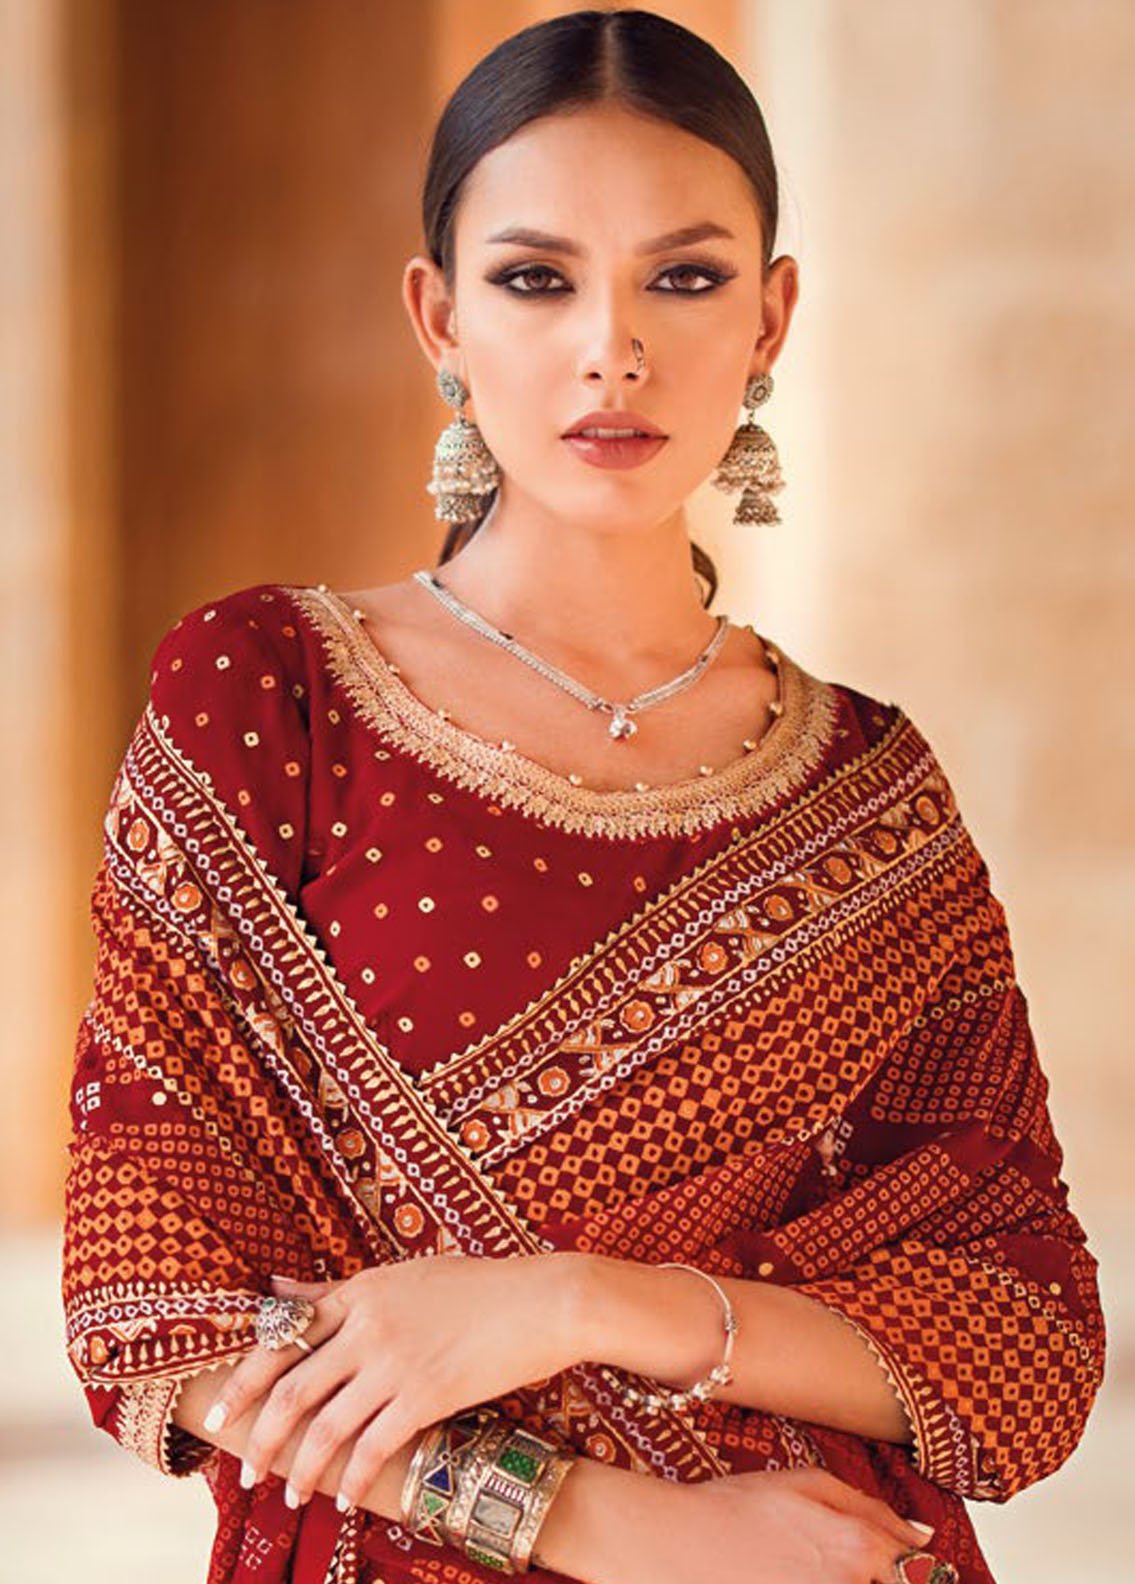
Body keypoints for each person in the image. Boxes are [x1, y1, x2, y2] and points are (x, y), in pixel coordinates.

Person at [61, 9, 1106, 1584]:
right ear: (439, 315)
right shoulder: (269, 694)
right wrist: (602, 1522)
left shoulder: (869, 793)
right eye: (537, 279)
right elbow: (154, 1301)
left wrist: (577, 1302)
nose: (611, 347)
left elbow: (1026, 1333)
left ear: (772, 315)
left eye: (683, 279)